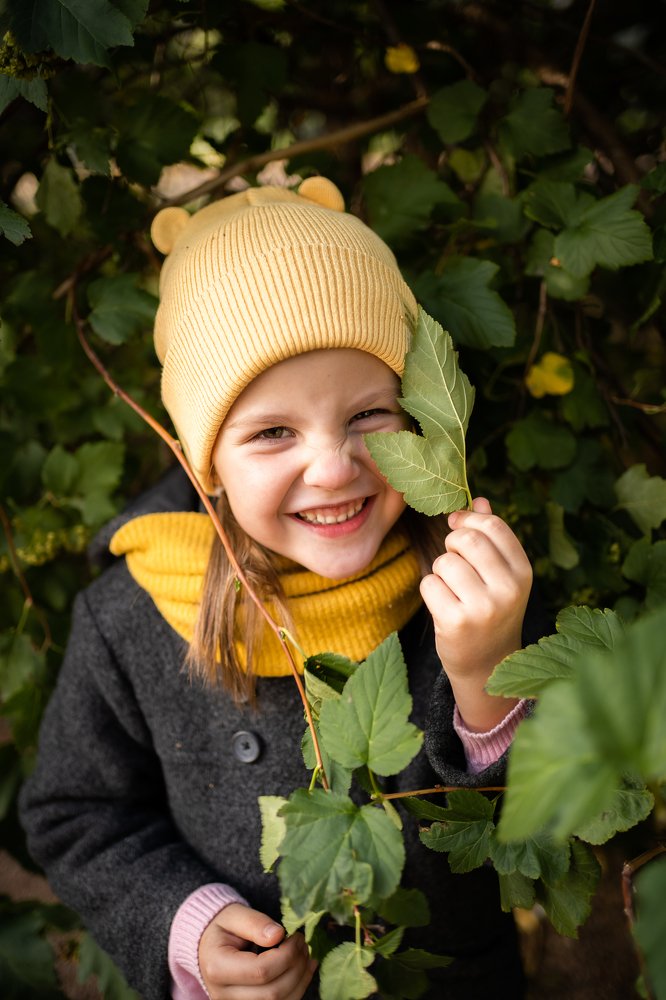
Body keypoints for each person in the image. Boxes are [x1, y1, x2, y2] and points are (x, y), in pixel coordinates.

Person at [20, 177, 544, 1000]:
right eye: (271, 432)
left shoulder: (471, 579)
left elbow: (539, 834)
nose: (334, 467)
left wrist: (485, 679)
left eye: (370, 414)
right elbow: (73, 812)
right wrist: (185, 925)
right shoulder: (136, 613)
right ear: (206, 466)